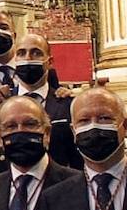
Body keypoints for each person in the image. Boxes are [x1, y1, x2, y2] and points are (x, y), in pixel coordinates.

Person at [5, 32, 77, 169]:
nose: (28, 58)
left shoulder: (67, 104)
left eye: (36, 53)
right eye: (21, 53)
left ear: (49, 62)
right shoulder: (4, 104)